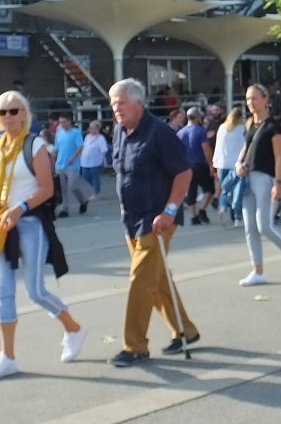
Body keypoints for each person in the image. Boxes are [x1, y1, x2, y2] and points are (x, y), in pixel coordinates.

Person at [0, 91, 85, 382]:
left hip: (30, 223)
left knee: (35, 290)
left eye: (14, 111)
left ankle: (73, 328)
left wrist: (20, 208)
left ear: (24, 114)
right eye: (3, 112)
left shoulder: (35, 146)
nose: (8, 116)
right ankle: (7, 357)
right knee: (3, 292)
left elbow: (47, 190)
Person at [108, 78, 200, 366]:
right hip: (131, 219)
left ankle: (135, 346)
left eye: (121, 102)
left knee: (139, 281)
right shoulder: (120, 132)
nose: (116, 108)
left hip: (157, 220)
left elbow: (183, 174)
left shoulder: (160, 133)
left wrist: (170, 210)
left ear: (138, 103)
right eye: (113, 103)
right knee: (156, 281)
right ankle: (185, 330)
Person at [236, 83, 281, 286]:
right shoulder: (250, 124)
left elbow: (278, 156)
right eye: (248, 99)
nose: (250, 103)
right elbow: (245, 148)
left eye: (254, 98)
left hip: (265, 178)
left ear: (265, 99)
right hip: (248, 178)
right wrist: (239, 163)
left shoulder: (273, 125)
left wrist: (278, 183)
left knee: (264, 226)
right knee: (250, 228)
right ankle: (258, 271)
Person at [177, 107, 215, 225]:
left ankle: (193, 216)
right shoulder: (200, 131)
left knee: (191, 190)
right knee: (209, 189)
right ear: (198, 117)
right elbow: (206, 149)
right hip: (200, 164)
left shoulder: (180, 132)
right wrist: (211, 164)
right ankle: (202, 209)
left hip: (186, 165)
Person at [213, 105, 246, 226]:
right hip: (236, 163)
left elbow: (218, 146)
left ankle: (223, 207)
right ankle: (237, 217)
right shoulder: (242, 128)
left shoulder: (222, 128)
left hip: (221, 163)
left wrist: (215, 162)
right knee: (237, 190)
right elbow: (245, 145)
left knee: (225, 189)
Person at [54, 112, 88, 217]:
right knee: (63, 188)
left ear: (69, 121)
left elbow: (80, 147)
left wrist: (73, 158)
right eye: (60, 123)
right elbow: (57, 149)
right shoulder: (59, 134)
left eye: (64, 122)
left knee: (73, 186)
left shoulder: (75, 133)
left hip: (72, 165)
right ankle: (65, 209)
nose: (62, 124)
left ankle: (82, 201)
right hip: (60, 164)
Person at [79, 120, 108, 199]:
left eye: (92, 128)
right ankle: (97, 188)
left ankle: (96, 193)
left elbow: (104, 150)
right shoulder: (87, 137)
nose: (90, 129)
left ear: (97, 129)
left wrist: (102, 160)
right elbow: (84, 147)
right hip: (85, 161)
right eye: (90, 128)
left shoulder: (100, 138)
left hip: (96, 162)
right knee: (85, 176)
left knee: (95, 178)